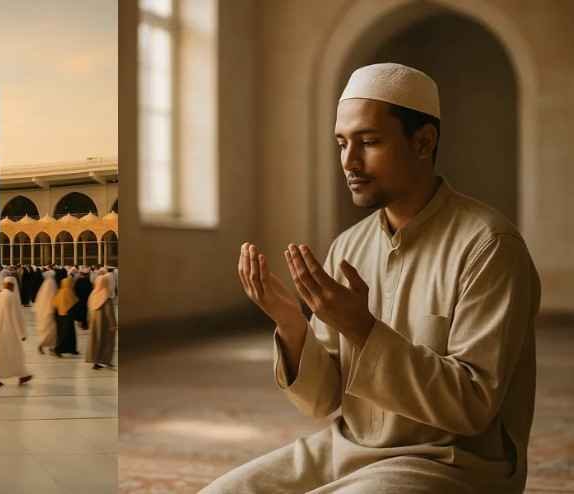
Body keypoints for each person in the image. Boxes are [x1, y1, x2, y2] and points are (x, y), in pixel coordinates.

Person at [203, 63, 542, 493]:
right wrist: (291, 324)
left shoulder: (489, 246)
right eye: (342, 143)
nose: (349, 161)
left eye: (369, 142)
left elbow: (472, 406)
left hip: (449, 463)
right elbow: (323, 401)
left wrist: (362, 329)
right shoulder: (348, 246)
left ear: (423, 142)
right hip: (345, 450)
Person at [0, 277, 33, 387]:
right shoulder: (11, 296)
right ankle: (22, 375)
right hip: (9, 331)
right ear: (12, 285)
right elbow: (16, 316)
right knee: (15, 353)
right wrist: (22, 333)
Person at [85, 273, 116, 369]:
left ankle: (95, 361)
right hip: (105, 324)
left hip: (94, 323)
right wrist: (113, 324)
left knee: (95, 341)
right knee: (107, 341)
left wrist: (89, 320)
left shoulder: (93, 295)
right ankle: (105, 360)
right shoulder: (105, 296)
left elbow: (89, 309)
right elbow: (109, 312)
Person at [52, 277, 79, 357]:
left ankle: (71, 349)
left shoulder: (60, 292)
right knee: (66, 334)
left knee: (66, 333)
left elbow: (55, 304)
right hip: (67, 316)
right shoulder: (69, 292)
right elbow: (74, 302)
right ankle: (58, 349)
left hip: (60, 316)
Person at [33, 270, 58, 354]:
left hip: (44, 311)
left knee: (50, 330)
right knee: (50, 330)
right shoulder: (51, 283)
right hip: (49, 310)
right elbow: (52, 297)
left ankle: (51, 347)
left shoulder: (46, 283)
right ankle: (42, 345)